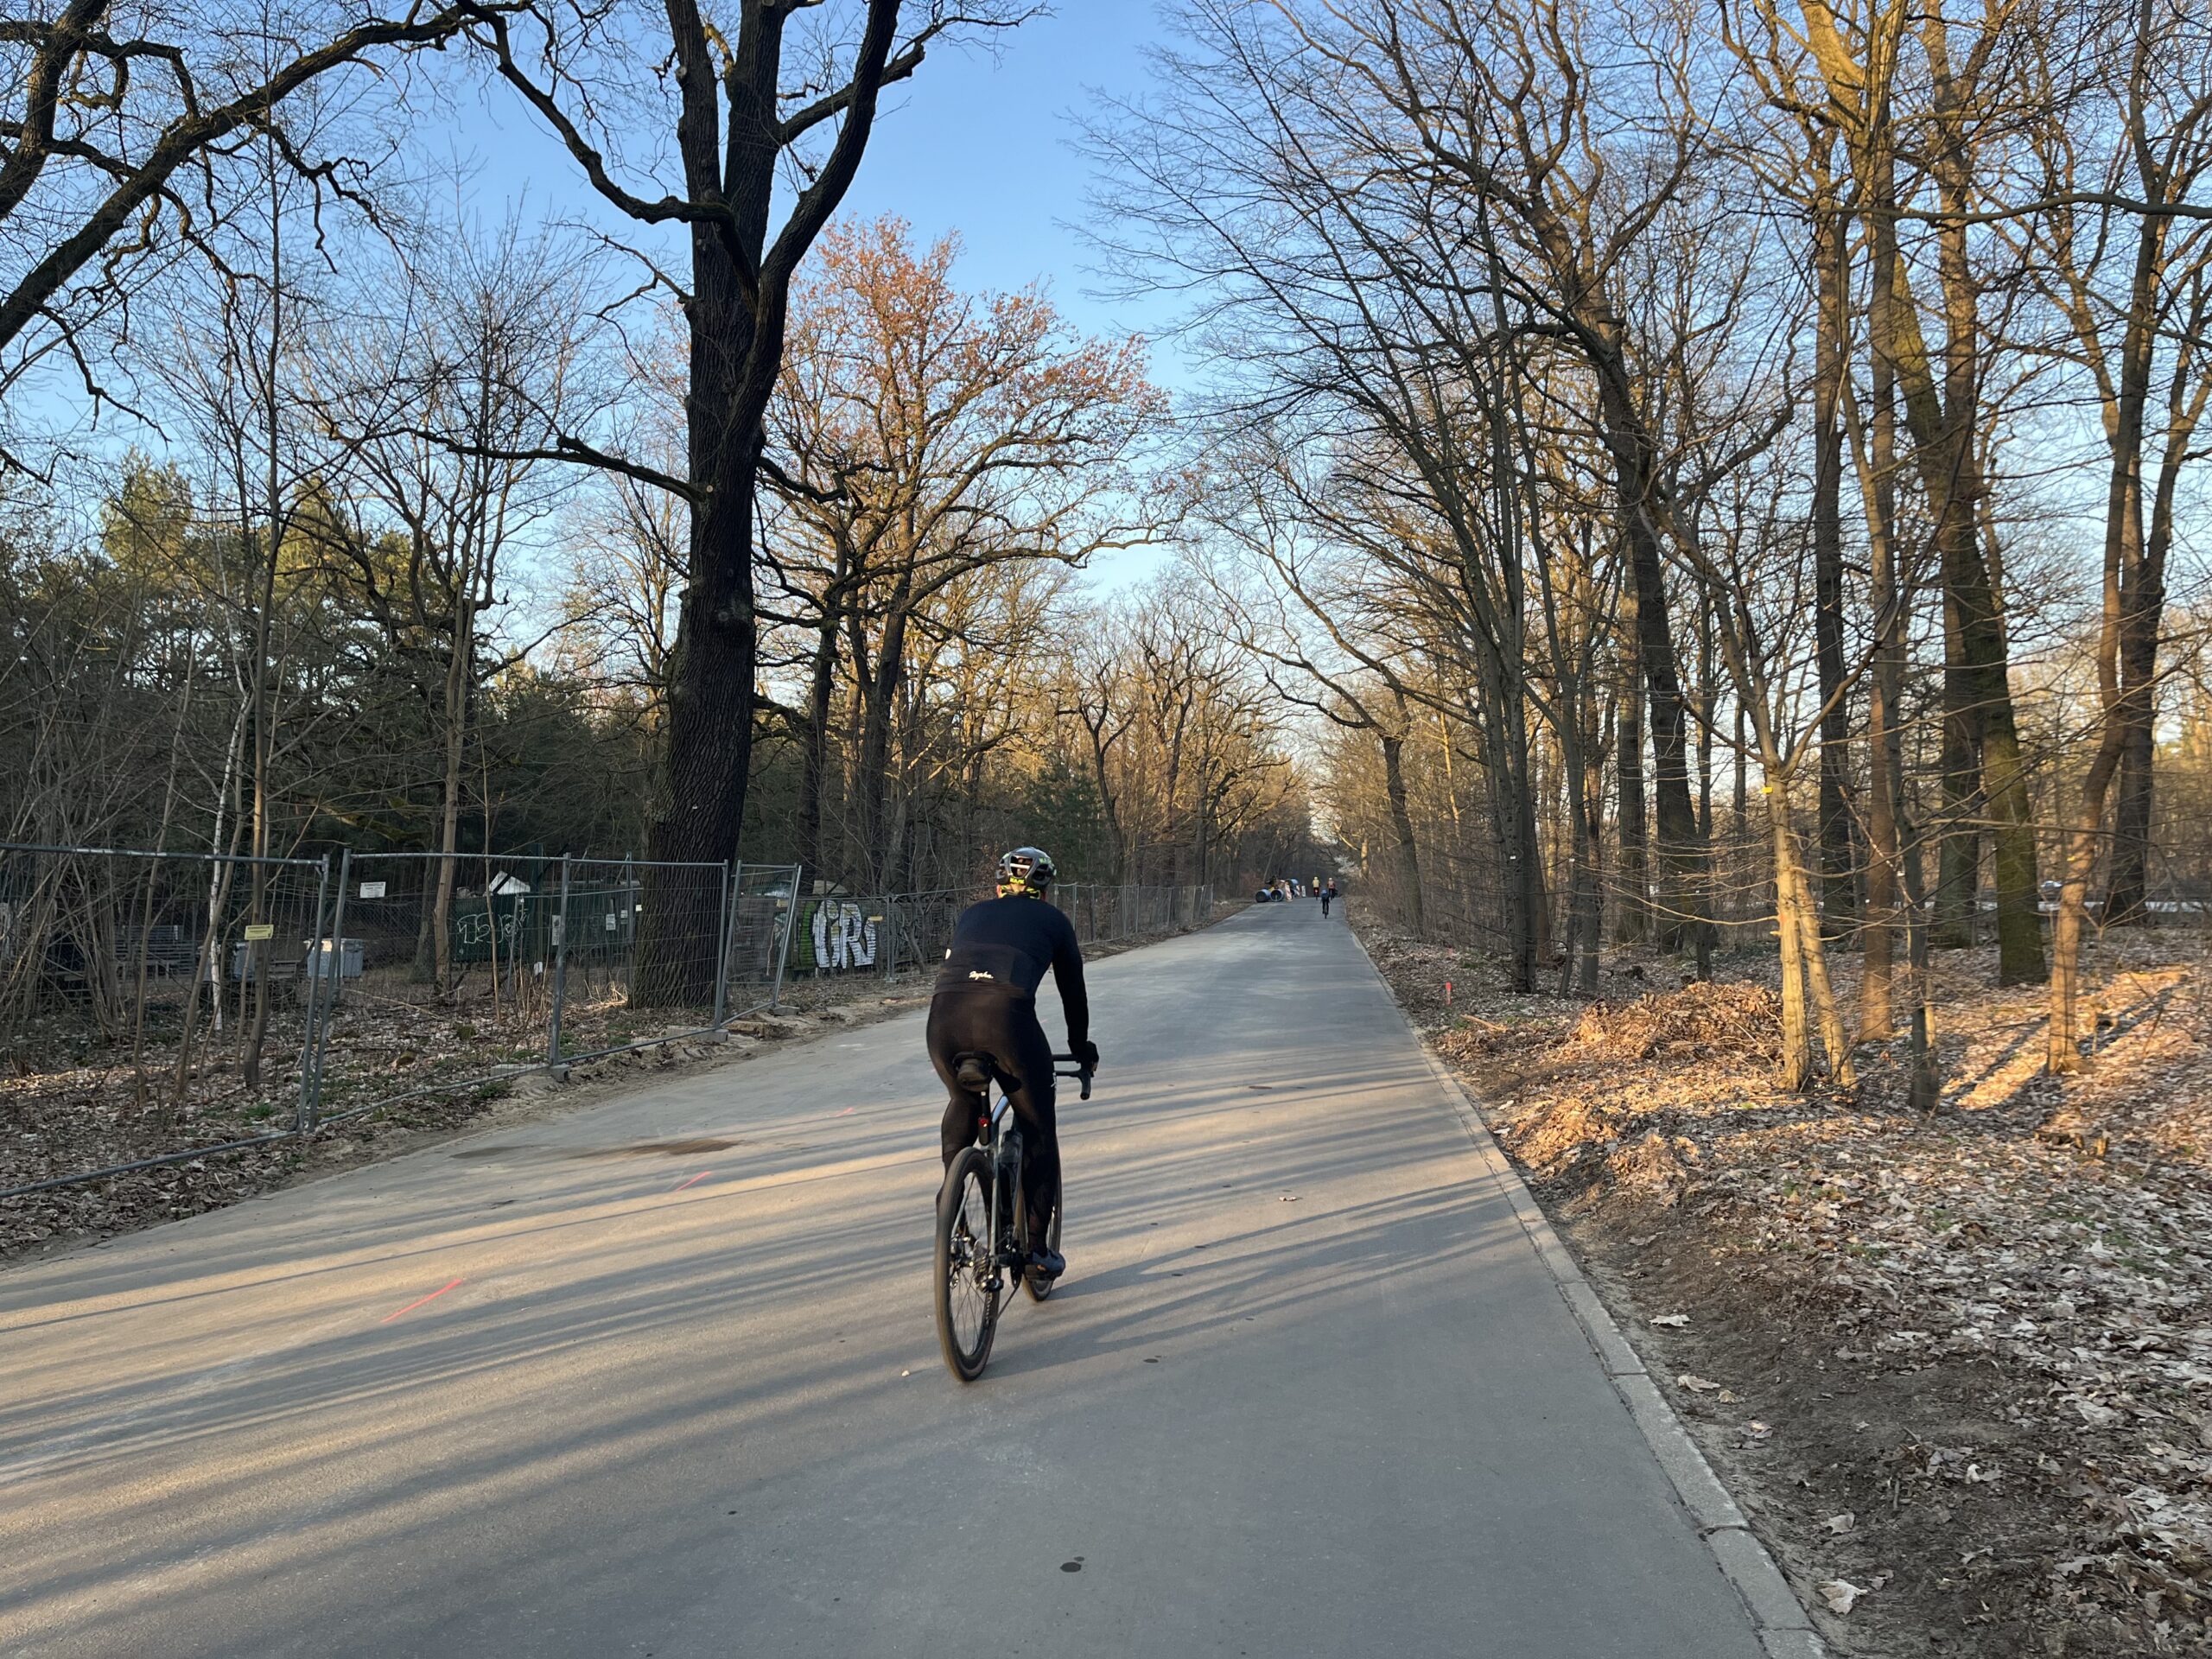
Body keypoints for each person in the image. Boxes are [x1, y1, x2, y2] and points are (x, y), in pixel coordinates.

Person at [927, 847, 1096, 1279]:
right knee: (1038, 1127)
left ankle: (952, 1208)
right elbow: (1073, 993)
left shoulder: (972, 914)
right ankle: (1037, 1252)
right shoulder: (1054, 922)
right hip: (1006, 1020)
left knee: (962, 1102)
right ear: (1045, 887)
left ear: (999, 883)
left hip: (944, 1018)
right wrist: (1081, 1048)